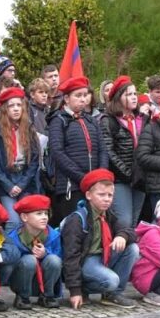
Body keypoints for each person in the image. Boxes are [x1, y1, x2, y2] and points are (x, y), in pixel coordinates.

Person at [59, 169, 140, 310]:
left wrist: (122, 236)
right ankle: (85, 288)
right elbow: (71, 256)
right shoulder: (77, 220)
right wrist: (75, 290)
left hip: (103, 256)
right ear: (89, 195)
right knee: (111, 280)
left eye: (110, 195)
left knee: (132, 248)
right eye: (101, 195)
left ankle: (114, 294)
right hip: (86, 260)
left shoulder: (108, 214)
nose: (107, 199)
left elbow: (130, 231)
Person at [48, 76, 107, 221]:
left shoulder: (91, 120)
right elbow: (57, 152)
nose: (83, 99)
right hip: (71, 186)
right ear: (67, 99)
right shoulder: (58, 120)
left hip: (95, 184)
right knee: (75, 226)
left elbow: (102, 149)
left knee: (95, 224)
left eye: (85, 95)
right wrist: (83, 178)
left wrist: (101, 175)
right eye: (78, 95)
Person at [0, 87, 42, 230]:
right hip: (5, 180)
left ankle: (27, 250)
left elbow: (35, 160)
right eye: (11, 106)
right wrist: (9, 186)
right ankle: (10, 251)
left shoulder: (29, 128)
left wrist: (21, 184)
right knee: (13, 220)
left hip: (25, 180)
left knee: (28, 219)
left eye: (19, 105)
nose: (16, 109)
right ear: (5, 109)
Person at [101, 76, 146, 229]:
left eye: (135, 94)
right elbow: (109, 151)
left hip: (141, 178)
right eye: (128, 94)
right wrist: (127, 173)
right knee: (124, 220)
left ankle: (131, 251)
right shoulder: (109, 120)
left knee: (134, 221)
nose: (134, 98)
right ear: (118, 98)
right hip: (121, 178)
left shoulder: (142, 119)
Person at [5, 194, 63, 309]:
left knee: (54, 260)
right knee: (29, 260)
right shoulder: (13, 238)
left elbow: (60, 256)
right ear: (24, 217)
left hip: (45, 279)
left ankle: (47, 296)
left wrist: (45, 253)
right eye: (39, 214)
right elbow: (10, 261)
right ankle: (22, 297)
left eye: (46, 213)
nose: (44, 217)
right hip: (23, 280)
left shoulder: (54, 235)